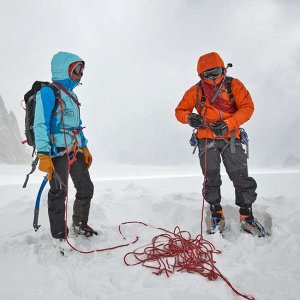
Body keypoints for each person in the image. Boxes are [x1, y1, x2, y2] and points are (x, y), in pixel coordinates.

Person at [175, 52, 265, 236]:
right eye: (206, 75)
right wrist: (189, 117)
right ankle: (216, 213)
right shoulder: (196, 91)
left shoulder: (234, 86)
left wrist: (229, 124)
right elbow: (180, 110)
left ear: (223, 69)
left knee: (241, 176)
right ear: (200, 75)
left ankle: (247, 216)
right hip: (206, 140)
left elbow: (247, 108)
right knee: (211, 177)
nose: (212, 78)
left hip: (231, 138)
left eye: (215, 72)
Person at [33, 51, 97, 246]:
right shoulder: (48, 92)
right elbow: (40, 124)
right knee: (59, 192)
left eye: (82, 70)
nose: (80, 74)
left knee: (86, 187)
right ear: (65, 69)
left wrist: (84, 146)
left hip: (74, 149)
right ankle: (59, 234)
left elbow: (77, 125)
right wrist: (44, 154)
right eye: (77, 69)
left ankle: (79, 224)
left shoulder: (72, 96)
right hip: (56, 151)